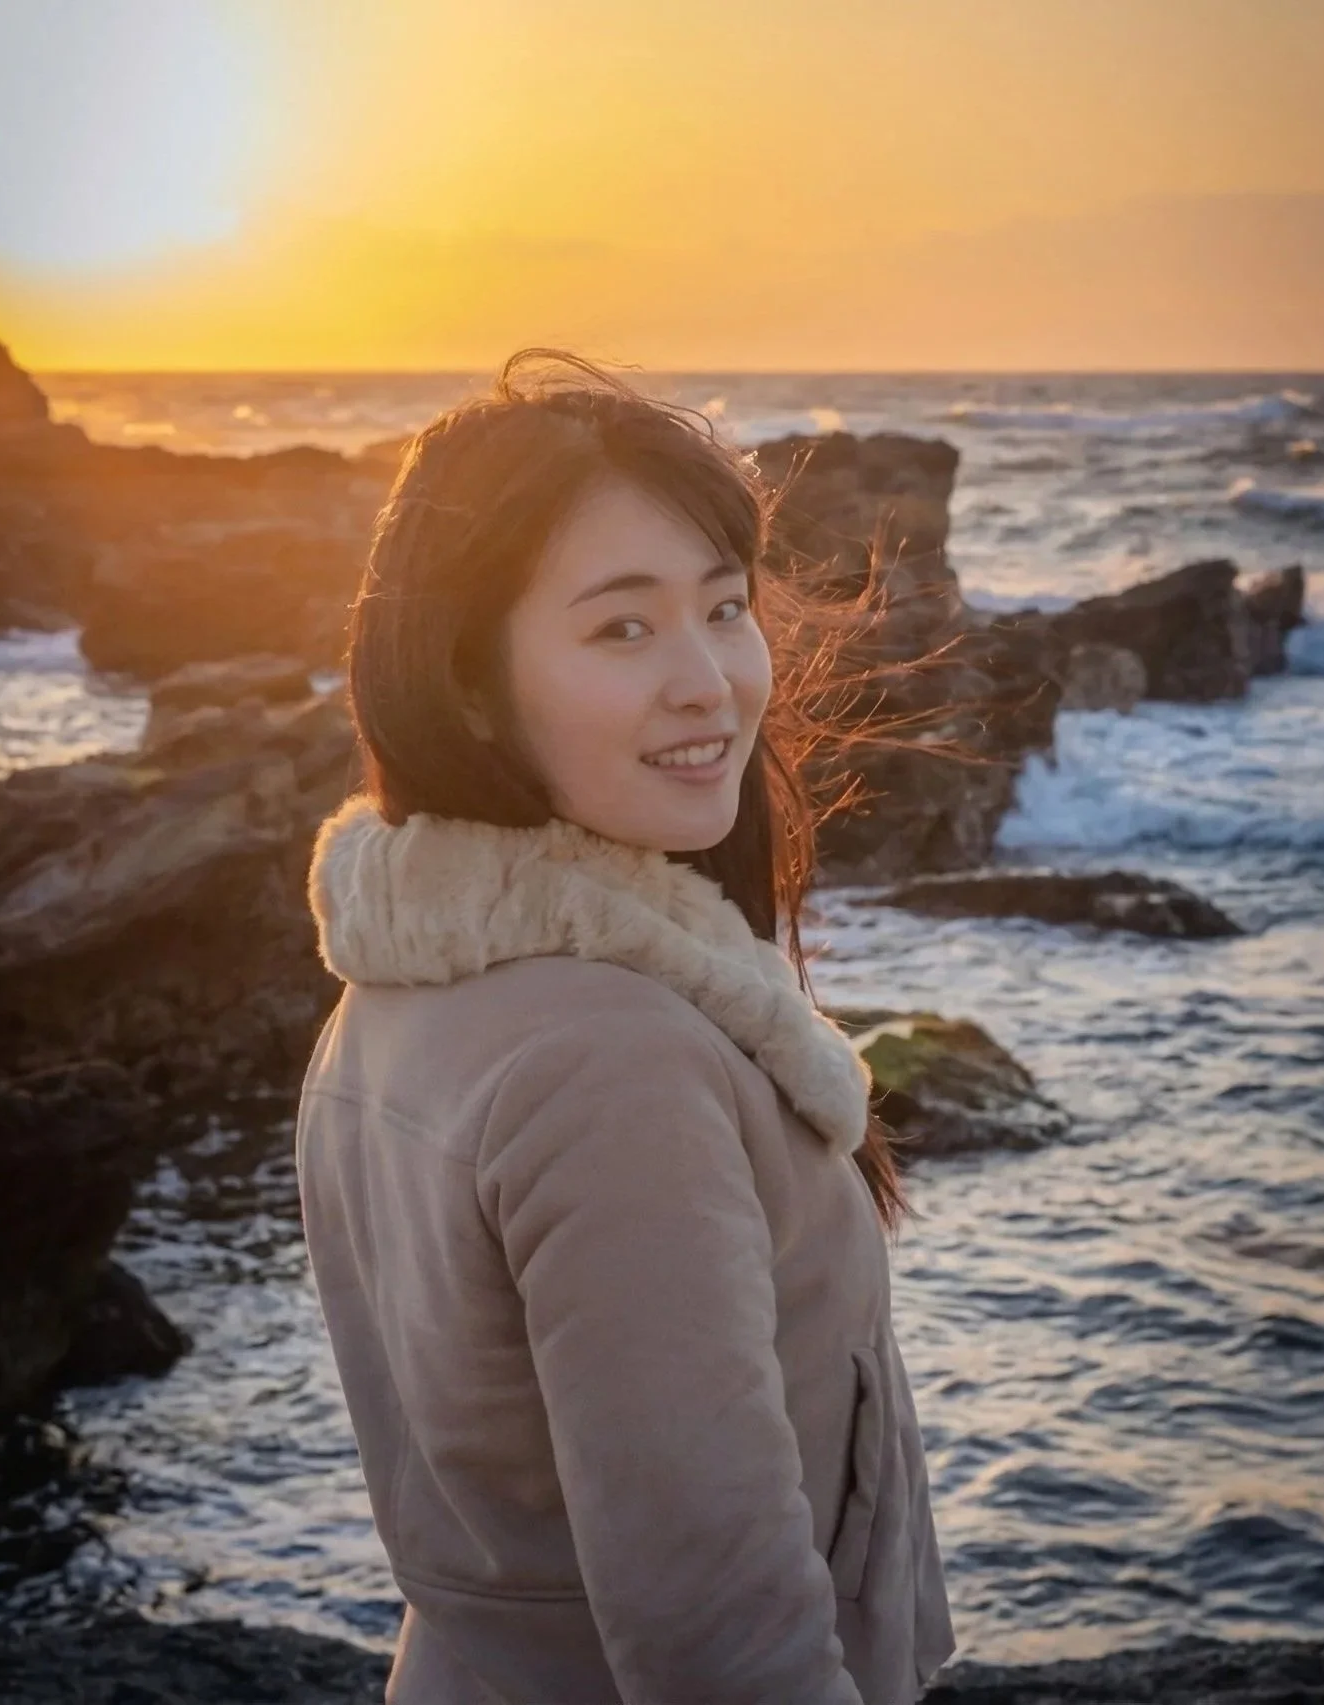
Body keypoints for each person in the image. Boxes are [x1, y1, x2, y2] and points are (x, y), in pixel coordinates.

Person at [295, 347, 956, 1704]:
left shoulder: (398, 968)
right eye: (622, 627)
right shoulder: (616, 1059)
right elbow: (728, 1649)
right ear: (469, 681)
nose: (711, 680)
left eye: (724, 608)